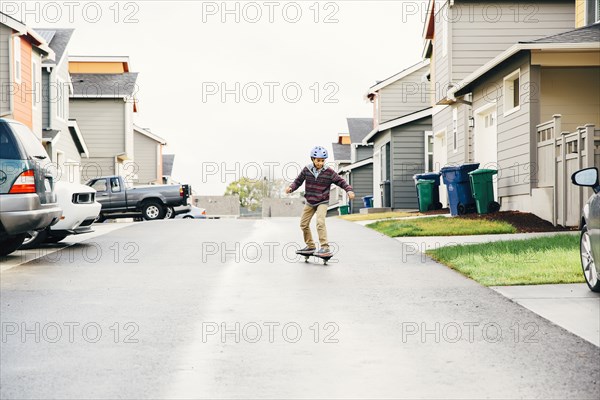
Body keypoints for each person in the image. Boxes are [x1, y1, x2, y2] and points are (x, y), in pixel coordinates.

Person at [285, 146, 355, 257]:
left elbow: (341, 182)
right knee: (303, 224)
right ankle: (310, 246)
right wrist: (291, 188)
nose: (320, 163)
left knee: (320, 222)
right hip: (310, 201)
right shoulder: (306, 170)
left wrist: (349, 190)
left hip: (322, 201)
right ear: (312, 159)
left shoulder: (329, 172)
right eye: (318, 160)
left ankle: (325, 247)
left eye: (322, 161)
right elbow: (298, 181)